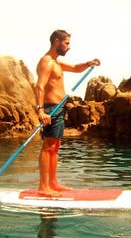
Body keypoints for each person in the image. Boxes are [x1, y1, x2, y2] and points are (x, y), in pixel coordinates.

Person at [34, 29, 100, 195]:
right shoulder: (47, 62)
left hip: (59, 108)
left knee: (55, 146)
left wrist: (88, 63)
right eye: (67, 43)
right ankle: (43, 187)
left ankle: (53, 183)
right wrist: (41, 111)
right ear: (57, 41)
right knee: (48, 146)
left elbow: (76, 68)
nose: (68, 47)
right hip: (50, 109)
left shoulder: (56, 63)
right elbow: (39, 86)